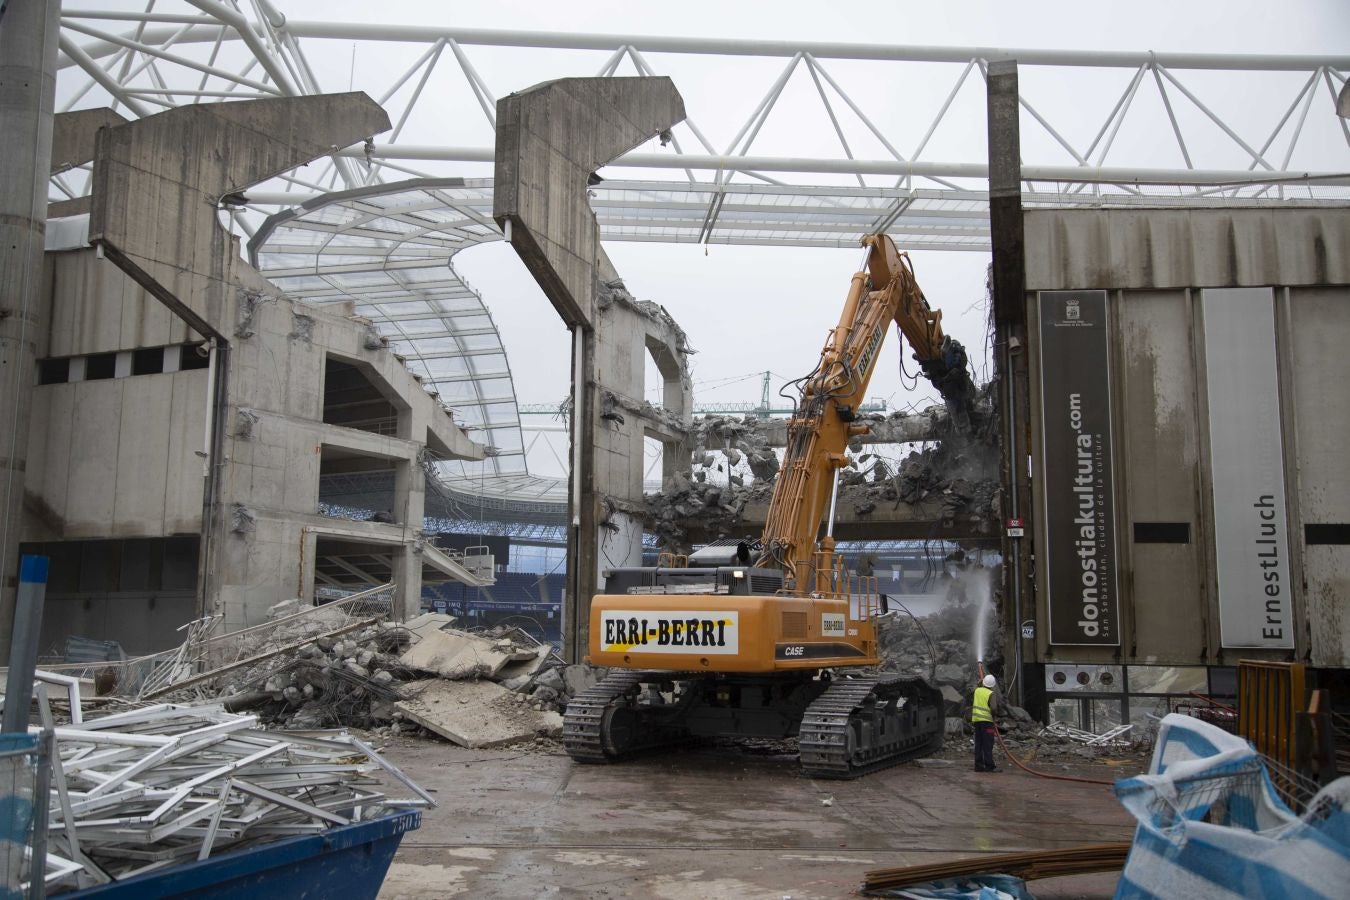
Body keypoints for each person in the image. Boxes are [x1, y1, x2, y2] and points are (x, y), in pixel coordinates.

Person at [971, 673, 1001, 772]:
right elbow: (993, 708)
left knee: (978, 744)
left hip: (977, 722)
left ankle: (978, 766)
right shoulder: (991, 694)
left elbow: (977, 685)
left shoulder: (977, 691)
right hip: (987, 722)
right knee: (988, 744)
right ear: (993, 685)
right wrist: (994, 715)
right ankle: (989, 766)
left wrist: (980, 682)